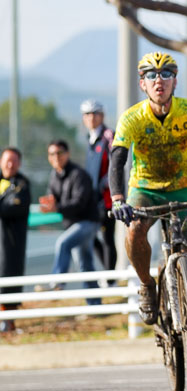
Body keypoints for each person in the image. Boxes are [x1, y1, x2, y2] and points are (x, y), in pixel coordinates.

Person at [109, 51, 187, 370]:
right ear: (142, 84)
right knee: (135, 230)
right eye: (151, 76)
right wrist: (117, 198)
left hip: (182, 188)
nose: (159, 81)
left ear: (175, 81)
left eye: (166, 74)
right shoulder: (132, 118)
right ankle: (147, 285)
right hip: (145, 190)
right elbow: (118, 159)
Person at [39, 140, 101, 305]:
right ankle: (95, 304)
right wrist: (49, 204)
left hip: (88, 222)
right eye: (52, 154)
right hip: (74, 224)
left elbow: (79, 203)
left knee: (63, 244)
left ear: (67, 154)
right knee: (84, 263)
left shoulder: (78, 174)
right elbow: (52, 199)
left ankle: (56, 283)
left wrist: (56, 207)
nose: (56, 157)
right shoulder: (54, 176)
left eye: (59, 153)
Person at [80, 99, 117, 279]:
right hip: (92, 199)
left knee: (108, 237)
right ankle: (109, 273)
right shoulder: (90, 139)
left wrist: (107, 185)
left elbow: (116, 165)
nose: (91, 117)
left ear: (102, 115)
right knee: (91, 237)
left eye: (95, 113)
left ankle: (110, 279)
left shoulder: (109, 136)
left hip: (108, 197)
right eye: (87, 114)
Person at [0, 147, 31, 333]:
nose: (9, 164)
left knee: (9, 276)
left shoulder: (22, 184)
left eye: (14, 161)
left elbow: (11, 207)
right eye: (6, 160)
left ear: (19, 163)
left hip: (11, 243)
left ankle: (8, 321)